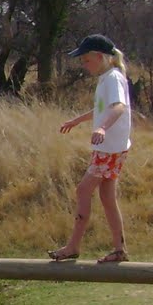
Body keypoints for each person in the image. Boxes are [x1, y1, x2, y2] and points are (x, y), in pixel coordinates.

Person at [49, 34, 132, 263]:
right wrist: (77, 121)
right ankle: (119, 249)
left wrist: (103, 129)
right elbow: (101, 109)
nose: (84, 65)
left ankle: (73, 246)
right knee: (107, 197)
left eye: (86, 60)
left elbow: (118, 108)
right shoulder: (107, 78)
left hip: (109, 148)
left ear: (99, 56)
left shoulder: (113, 77)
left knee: (83, 190)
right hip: (110, 148)